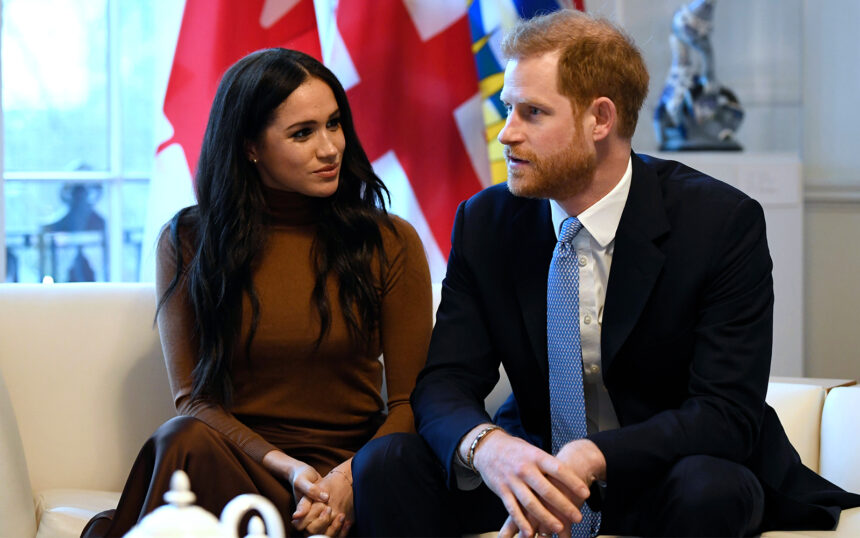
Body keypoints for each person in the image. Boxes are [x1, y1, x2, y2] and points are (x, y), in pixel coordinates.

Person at [352, 10, 860, 538]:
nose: (506, 134)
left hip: (664, 472)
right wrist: (490, 449)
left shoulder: (720, 223)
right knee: (385, 465)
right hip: (530, 472)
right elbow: (444, 383)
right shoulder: (486, 222)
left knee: (712, 490)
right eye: (508, 109)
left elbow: (726, 412)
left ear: (600, 119)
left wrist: (595, 455)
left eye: (532, 113)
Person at [81, 48, 432, 538]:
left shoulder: (389, 240)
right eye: (303, 133)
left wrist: (346, 479)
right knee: (184, 438)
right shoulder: (188, 240)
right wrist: (289, 470)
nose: (330, 148)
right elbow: (194, 400)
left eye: (334, 124)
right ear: (250, 147)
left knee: (393, 464)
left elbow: (410, 402)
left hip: (354, 469)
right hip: (245, 464)